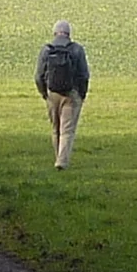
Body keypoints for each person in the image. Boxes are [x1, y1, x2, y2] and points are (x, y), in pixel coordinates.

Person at [34, 19, 90, 171]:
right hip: (71, 94)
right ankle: (62, 162)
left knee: (55, 128)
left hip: (52, 93)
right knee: (67, 129)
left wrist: (44, 93)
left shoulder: (46, 49)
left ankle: (57, 155)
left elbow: (39, 75)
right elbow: (84, 75)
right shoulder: (77, 49)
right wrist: (81, 94)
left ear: (55, 33)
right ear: (69, 33)